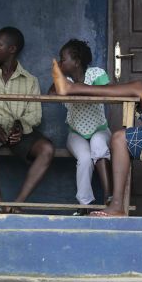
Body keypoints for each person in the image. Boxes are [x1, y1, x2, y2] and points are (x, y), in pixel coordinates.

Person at [52, 58, 142, 216]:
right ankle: (70, 88)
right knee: (136, 88)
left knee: (119, 137)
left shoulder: (97, 74)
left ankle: (116, 206)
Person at [0, 27, 54, 213]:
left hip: (19, 133)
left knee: (47, 149)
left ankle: (17, 205)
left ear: (12, 49)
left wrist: (20, 127)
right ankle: (1, 204)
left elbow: (35, 114)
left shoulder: (30, 80)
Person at [49, 39, 112, 214]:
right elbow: (51, 94)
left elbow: (106, 92)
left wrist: (74, 88)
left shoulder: (96, 74)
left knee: (98, 146)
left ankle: (109, 196)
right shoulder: (65, 80)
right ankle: (84, 204)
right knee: (84, 158)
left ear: (76, 61)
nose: (60, 62)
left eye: (63, 59)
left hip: (100, 129)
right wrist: (58, 76)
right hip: (75, 133)